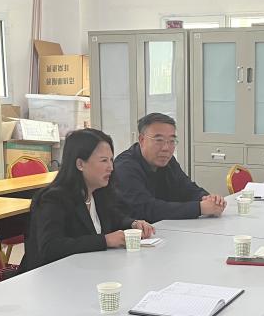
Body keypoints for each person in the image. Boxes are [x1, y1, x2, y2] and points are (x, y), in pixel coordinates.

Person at [19, 128, 154, 271]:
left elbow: (115, 218)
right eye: (103, 160)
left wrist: (133, 224)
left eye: (111, 160)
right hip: (53, 277)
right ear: (80, 164)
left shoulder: (98, 192)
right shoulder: (53, 199)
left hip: (87, 271)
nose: (111, 167)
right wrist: (105, 240)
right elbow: (50, 247)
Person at [113, 113, 227, 222]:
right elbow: (146, 208)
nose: (166, 148)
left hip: (166, 228)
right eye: (159, 140)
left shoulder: (168, 161)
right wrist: (200, 208)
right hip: (134, 233)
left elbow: (187, 188)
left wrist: (209, 199)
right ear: (142, 140)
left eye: (172, 141)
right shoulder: (124, 167)